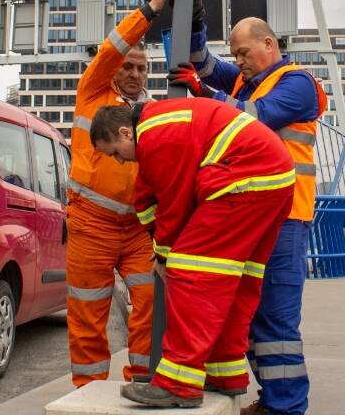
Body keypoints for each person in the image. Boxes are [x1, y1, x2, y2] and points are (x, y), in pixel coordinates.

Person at [167, 5, 326, 415]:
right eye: (235, 55)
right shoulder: (246, 78)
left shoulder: (298, 84)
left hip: (287, 218)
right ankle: (273, 400)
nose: (237, 62)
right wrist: (198, 24)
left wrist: (204, 95)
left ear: (269, 44)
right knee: (251, 316)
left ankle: (286, 408)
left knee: (276, 320)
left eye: (243, 53)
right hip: (254, 214)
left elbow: (255, 118)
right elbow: (203, 64)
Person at [90, 98, 295, 408]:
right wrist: (155, 240)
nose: (119, 162)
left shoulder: (156, 135)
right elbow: (146, 197)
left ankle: (177, 384)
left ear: (125, 132)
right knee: (237, 281)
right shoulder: (163, 124)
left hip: (242, 178)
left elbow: (175, 203)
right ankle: (225, 373)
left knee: (191, 274)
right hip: (272, 179)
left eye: (116, 152)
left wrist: (164, 257)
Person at [66, 0, 178, 387]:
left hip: (136, 228)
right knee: (87, 309)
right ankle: (88, 390)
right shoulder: (94, 93)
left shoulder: (153, 112)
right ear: (115, 71)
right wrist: (150, 10)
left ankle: (141, 383)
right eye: (128, 66)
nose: (134, 73)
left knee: (150, 300)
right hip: (90, 224)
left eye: (142, 68)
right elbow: (110, 50)